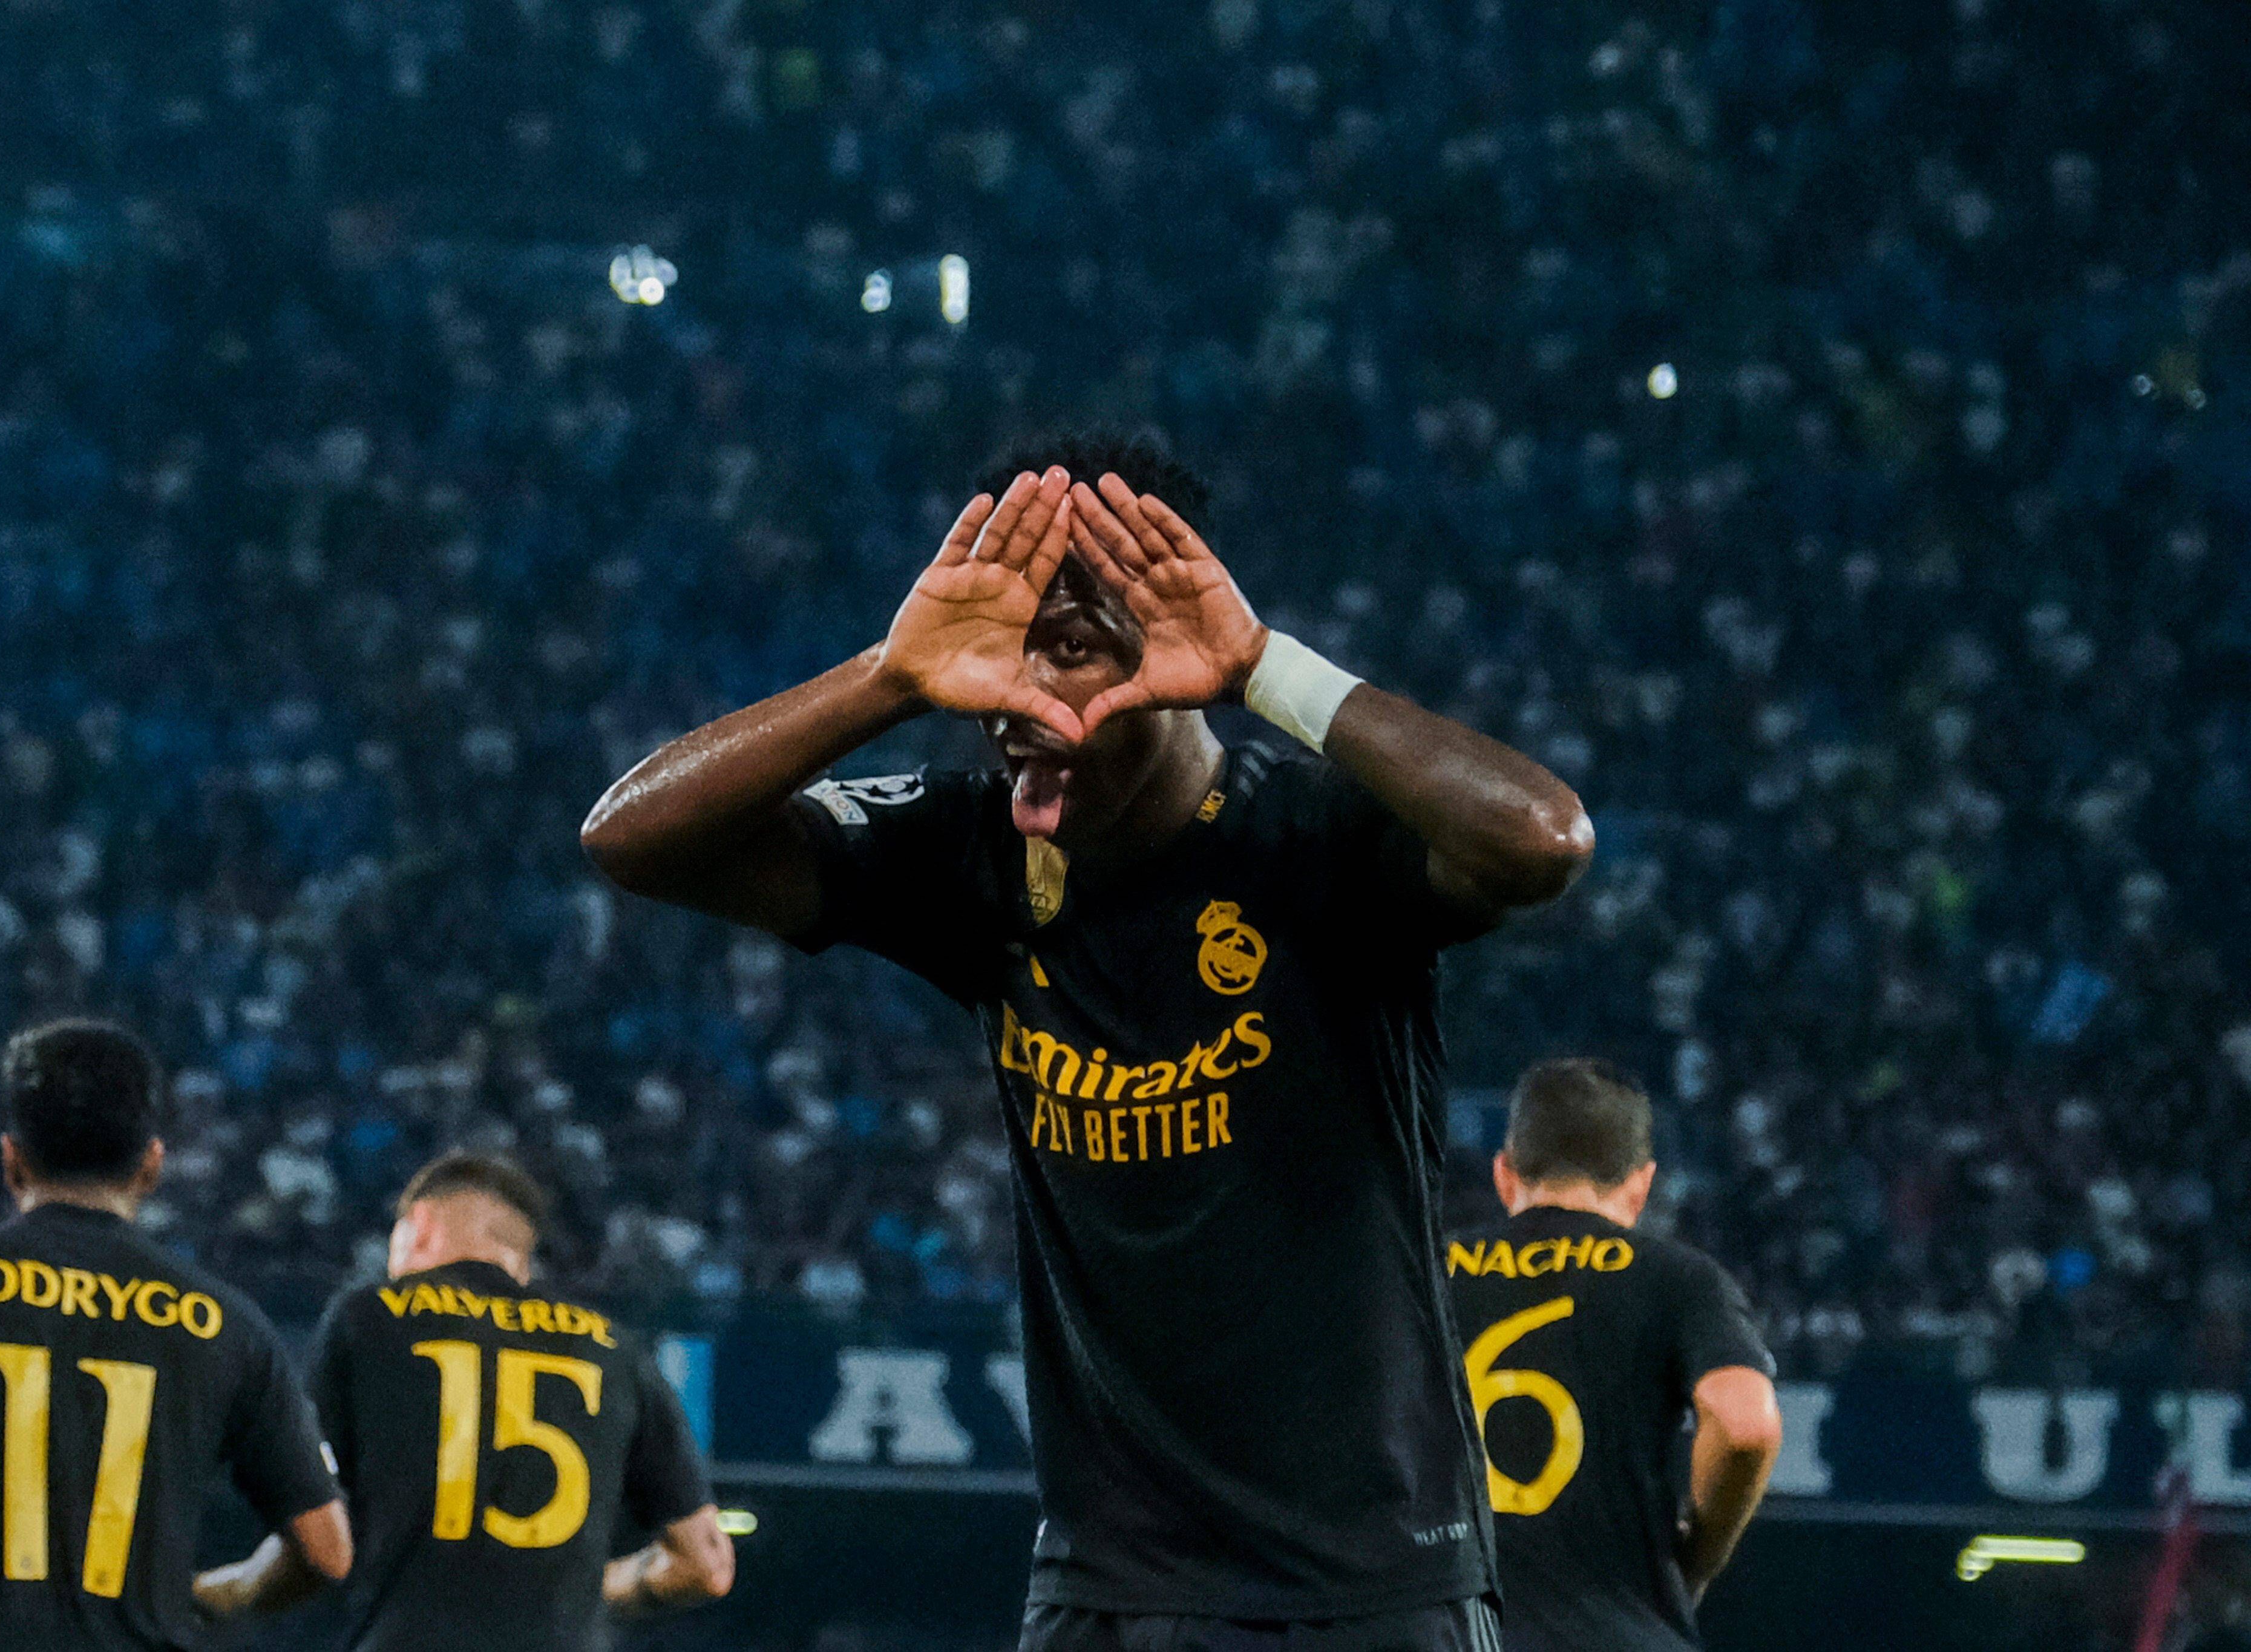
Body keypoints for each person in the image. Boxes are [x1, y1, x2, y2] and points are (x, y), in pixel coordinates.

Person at [584, 432, 1593, 1651]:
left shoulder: (1317, 836)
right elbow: (630, 838)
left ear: (1172, 649)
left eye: (1065, 648)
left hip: (1375, 1581)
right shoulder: (969, 854)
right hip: (1108, 1585)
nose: (1013, 696)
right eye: (999, 647)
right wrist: (890, 677)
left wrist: (1264, 667)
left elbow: (1541, 841)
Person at [0, 1020, 352, 1650]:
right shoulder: (228, 1325)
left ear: (11, 1160)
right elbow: (325, 1550)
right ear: (152, 1166)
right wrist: (221, 1596)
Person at [197, 1150, 730, 1648]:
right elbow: (706, 1565)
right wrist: (588, 1590)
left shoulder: (370, 1315)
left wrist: (214, 1594)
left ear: (420, 1225)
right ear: (520, 1261)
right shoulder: (613, 1346)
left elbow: (315, 1542)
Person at [1445, 1060, 1781, 1651]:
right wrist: (1694, 1565)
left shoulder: (1427, 1273)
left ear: (1504, 1173)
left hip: (1453, 1634)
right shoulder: (1679, 1277)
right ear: (1642, 1183)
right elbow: (1744, 1426)